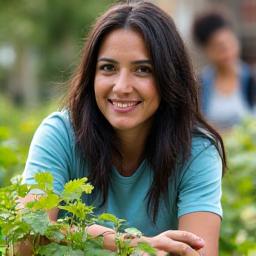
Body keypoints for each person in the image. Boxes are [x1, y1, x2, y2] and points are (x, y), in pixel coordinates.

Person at [22, 1, 226, 255]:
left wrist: (70, 235)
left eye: (143, 70)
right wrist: (131, 244)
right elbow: (26, 239)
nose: (121, 86)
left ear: (169, 76)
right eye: (108, 68)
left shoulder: (197, 149)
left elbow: (199, 253)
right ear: (91, 75)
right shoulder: (60, 134)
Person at [192, 10, 256, 132]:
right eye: (219, 47)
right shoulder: (200, 85)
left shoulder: (252, 79)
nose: (227, 51)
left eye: (230, 42)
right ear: (207, 50)